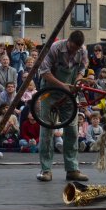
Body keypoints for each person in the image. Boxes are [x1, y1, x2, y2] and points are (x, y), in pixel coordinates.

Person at [35, 30, 89, 182]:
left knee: (72, 130)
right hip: (49, 93)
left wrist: (77, 80)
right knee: (47, 129)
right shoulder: (55, 48)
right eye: (72, 48)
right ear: (68, 41)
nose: (74, 51)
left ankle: (72, 169)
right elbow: (44, 72)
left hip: (69, 93)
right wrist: (62, 85)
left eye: (77, 49)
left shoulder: (82, 51)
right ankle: (46, 170)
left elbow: (82, 68)